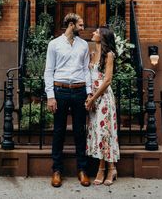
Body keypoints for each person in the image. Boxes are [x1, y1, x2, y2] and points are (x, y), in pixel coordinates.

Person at [44, 13, 92, 188]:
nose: (83, 27)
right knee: (59, 132)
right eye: (80, 24)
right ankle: (56, 170)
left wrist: (89, 93)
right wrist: (50, 96)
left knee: (80, 131)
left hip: (79, 91)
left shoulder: (84, 45)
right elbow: (48, 71)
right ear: (71, 25)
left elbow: (86, 70)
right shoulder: (54, 44)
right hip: (60, 91)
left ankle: (82, 170)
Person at [85, 26, 120, 186]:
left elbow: (107, 81)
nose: (93, 33)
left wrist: (94, 99)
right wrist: (89, 96)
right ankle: (111, 168)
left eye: (97, 32)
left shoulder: (109, 55)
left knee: (105, 131)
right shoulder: (92, 54)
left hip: (104, 97)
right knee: (98, 132)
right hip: (93, 96)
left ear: (103, 37)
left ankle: (103, 169)